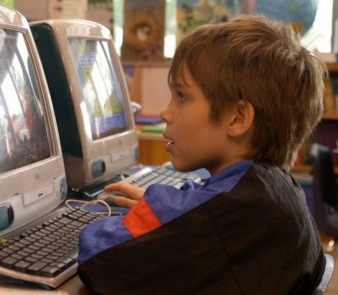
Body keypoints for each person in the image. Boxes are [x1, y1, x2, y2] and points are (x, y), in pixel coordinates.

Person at [77, 15, 328, 294]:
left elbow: (99, 259)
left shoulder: (232, 209)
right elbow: (209, 206)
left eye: (182, 97)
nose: (165, 112)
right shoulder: (273, 189)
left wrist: (157, 215)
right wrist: (171, 212)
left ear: (237, 118)